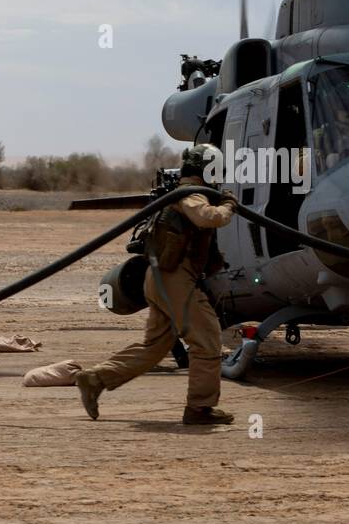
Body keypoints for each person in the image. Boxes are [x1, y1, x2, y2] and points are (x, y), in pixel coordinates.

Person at [75, 145, 238, 426]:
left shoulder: (179, 192)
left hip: (160, 278)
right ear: (208, 169)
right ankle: (200, 408)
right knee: (208, 339)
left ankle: (95, 378)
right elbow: (206, 217)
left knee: (155, 347)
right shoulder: (193, 195)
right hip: (176, 280)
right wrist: (227, 205)